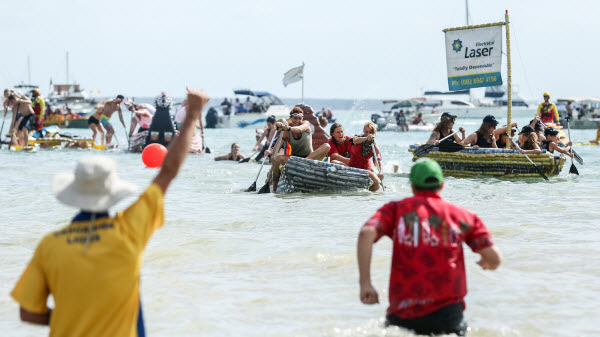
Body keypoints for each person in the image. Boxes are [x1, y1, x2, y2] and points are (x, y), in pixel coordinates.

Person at [10, 87, 209, 336]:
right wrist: (192, 116)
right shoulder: (128, 230)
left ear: (73, 193)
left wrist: (76, 318)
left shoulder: (50, 246)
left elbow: (28, 312)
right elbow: (167, 172)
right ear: (112, 192)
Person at [357, 159, 501, 336]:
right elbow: (495, 258)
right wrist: (488, 263)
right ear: (442, 184)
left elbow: (366, 233)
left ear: (412, 186)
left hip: (402, 313)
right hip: (447, 315)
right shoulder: (461, 216)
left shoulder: (396, 210)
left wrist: (366, 284)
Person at [266, 107, 331, 192]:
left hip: (309, 158)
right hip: (294, 160)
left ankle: (302, 164)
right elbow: (277, 148)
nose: (298, 120)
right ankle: (274, 190)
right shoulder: (286, 132)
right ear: (291, 118)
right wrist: (271, 156)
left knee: (327, 146)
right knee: (278, 158)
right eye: (295, 118)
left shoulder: (306, 124)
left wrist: (287, 128)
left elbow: (299, 129)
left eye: (300, 118)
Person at [349, 121, 384, 192]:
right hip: (352, 167)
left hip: (365, 170)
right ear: (363, 131)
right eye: (366, 132)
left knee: (377, 182)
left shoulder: (375, 147)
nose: (368, 134)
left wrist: (381, 173)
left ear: (374, 134)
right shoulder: (357, 138)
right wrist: (366, 138)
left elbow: (379, 161)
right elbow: (355, 141)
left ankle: (368, 194)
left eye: (370, 132)